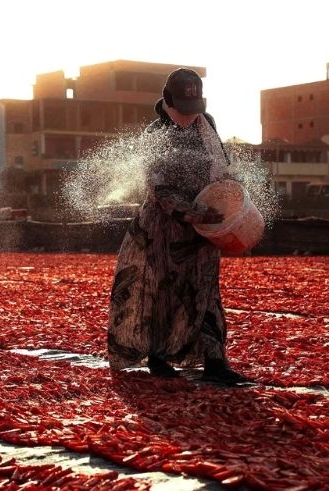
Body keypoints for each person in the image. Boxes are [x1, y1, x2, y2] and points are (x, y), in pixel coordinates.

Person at [106, 68, 250, 385]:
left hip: (202, 231)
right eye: (183, 110)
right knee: (162, 293)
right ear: (168, 101)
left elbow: (223, 171)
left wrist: (231, 207)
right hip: (163, 230)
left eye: (194, 108)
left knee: (206, 292)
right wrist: (194, 212)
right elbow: (160, 191)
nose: (189, 116)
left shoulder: (207, 126)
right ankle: (158, 357)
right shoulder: (154, 135)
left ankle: (215, 362)